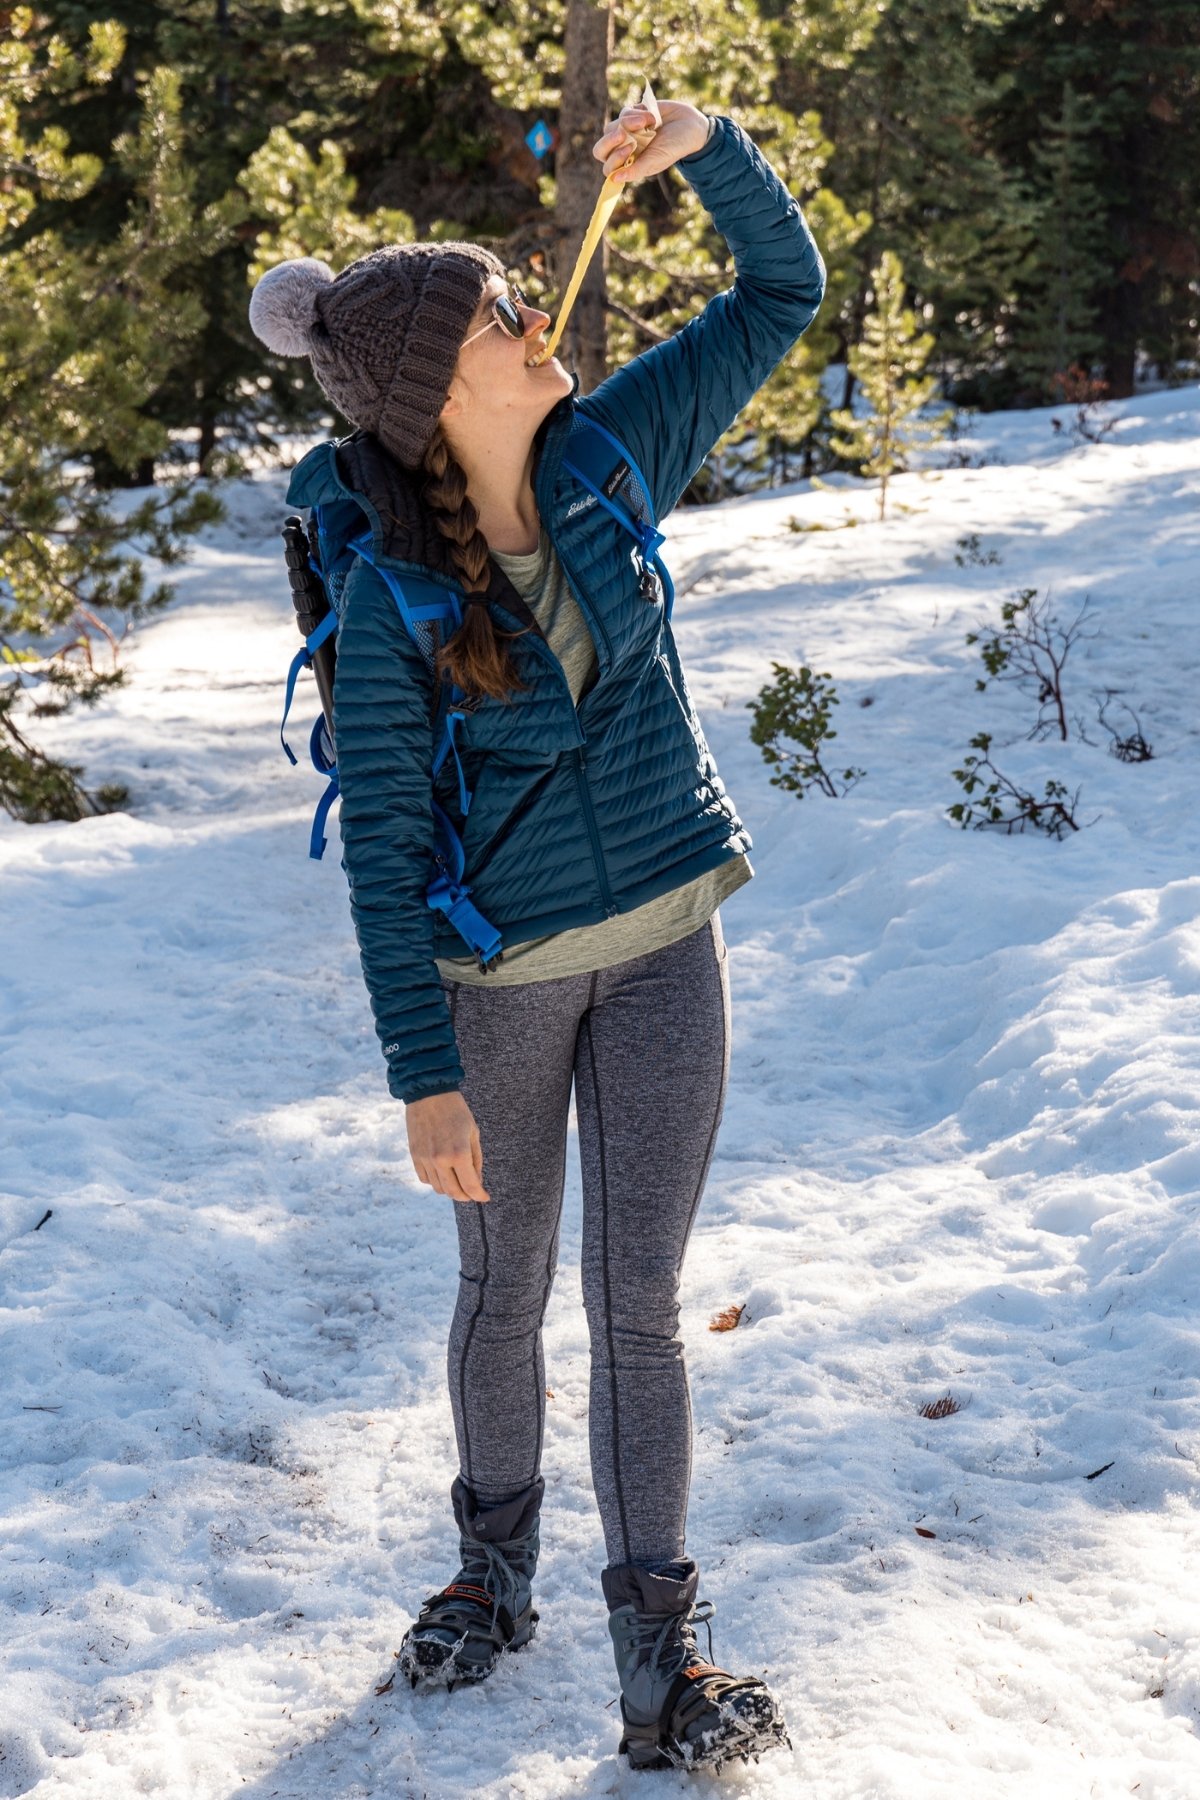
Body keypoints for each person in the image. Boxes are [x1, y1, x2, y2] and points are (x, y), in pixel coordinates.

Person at [249, 94, 824, 1775]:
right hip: (494, 993)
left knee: (634, 1304)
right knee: (504, 1298)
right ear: (441, 391)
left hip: (662, 944)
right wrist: (422, 1076)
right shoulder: (388, 600)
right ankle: (491, 1569)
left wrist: (710, 145)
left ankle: (662, 1655)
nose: (539, 316)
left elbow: (777, 299)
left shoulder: (614, 447)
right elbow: (386, 855)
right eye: (506, 311)